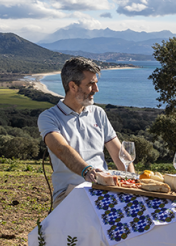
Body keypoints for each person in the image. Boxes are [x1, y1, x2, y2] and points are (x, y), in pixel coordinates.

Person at [38, 57, 130, 209]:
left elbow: (120, 154)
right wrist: (87, 171)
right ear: (73, 86)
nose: (96, 89)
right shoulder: (49, 117)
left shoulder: (98, 113)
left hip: (103, 190)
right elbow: (61, 149)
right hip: (68, 194)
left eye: (96, 83)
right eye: (90, 84)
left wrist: (133, 182)